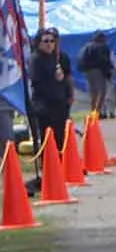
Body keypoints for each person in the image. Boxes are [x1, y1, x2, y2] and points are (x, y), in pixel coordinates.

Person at [26, 28, 74, 160]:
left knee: (60, 135)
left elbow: (67, 77)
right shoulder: (36, 58)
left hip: (59, 103)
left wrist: (67, 91)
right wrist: (53, 77)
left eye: (52, 41)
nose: (49, 44)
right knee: (47, 136)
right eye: (46, 41)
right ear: (39, 43)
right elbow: (35, 80)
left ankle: (61, 162)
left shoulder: (56, 57)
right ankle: (48, 163)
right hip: (44, 104)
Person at [79, 31, 114, 118]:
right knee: (102, 92)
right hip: (98, 71)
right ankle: (98, 112)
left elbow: (80, 59)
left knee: (93, 93)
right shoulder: (102, 47)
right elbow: (105, 60)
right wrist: (108, 72)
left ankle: (93, 111)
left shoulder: (86, 47)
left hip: (87, 71)